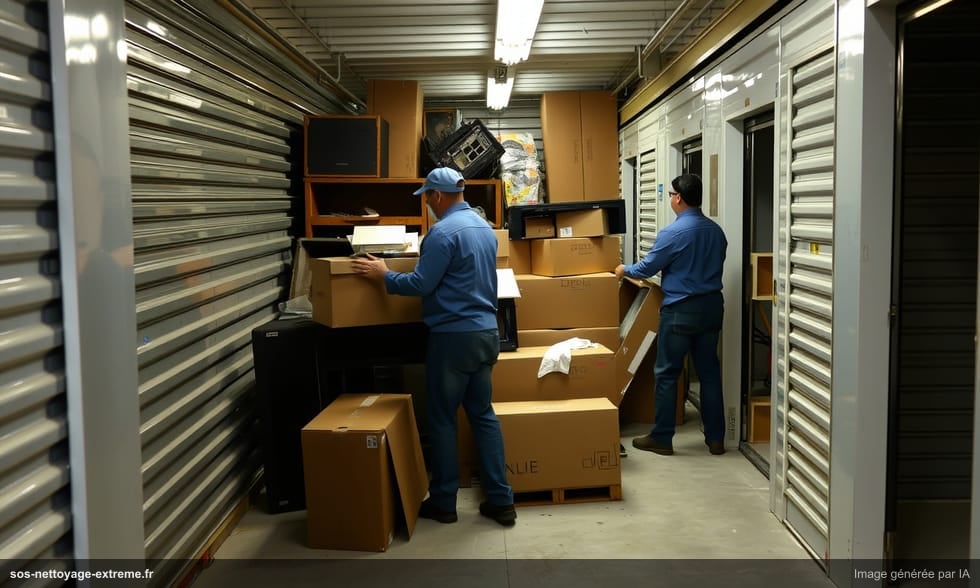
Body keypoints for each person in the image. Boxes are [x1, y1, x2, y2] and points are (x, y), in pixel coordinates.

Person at [350, 166, 517, 526]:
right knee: (483, 416)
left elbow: (421, 284)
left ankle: (443, 502)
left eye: (427, 196)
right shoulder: (484, 229)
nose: (426, 202)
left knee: (442, 421)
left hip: (453, 338)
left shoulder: (442, 234)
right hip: (487, 333)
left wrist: (384, 275)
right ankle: (502, 501)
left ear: (438, 196)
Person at [614, 173, 728, 456]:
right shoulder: (716, 231)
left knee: (666, 374)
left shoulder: (674, 233)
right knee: (710, 374)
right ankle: (716, 439)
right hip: (712, 308)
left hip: (680, 311)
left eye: (670, 195)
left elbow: (646, 269)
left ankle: (662, 438)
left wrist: (622, 269)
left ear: (677, 197)